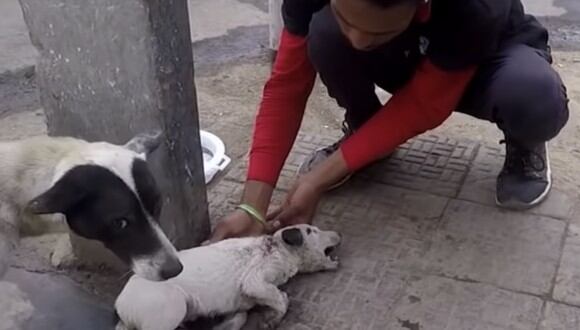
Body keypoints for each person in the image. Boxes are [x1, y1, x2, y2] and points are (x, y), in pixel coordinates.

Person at [208, 0, 570, 242]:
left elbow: (424, 106)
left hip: (490, 61)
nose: (358, 38)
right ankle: (364, 131)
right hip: (409, 52)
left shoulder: (475, 8)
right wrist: (252, 205)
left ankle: (524, 142)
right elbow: (287, 84)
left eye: (376, 31)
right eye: (349, 19)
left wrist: (318, 179)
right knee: (324, 34)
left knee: (534, 96)